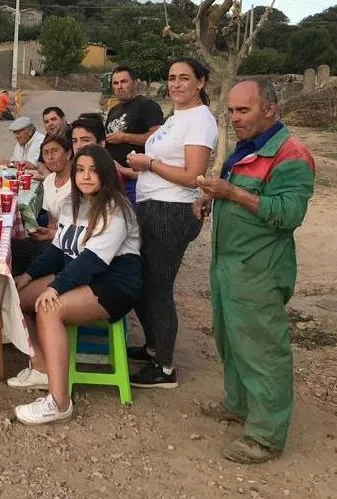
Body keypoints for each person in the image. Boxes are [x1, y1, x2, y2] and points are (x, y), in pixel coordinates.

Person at [193, 77, 315, 464]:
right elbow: (240, 197)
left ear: (270, 109)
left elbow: (288, 213)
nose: (234, 118)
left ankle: (265, 436)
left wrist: (231, 193)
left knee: (263, 350)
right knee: (231, 339)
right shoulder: (246, 148)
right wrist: (212, 199)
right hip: (229, 264)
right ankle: (239, 404)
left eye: (243, 110)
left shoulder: (291, 155)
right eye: (231, 110)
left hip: (259, 270)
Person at [12, 145, 142, 424]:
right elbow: (58, 249)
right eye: (80, 170)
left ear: (106, 174)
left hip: (112, 283)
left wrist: (55, 288)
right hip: (78, 275)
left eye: (93, 170)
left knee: (49, 309)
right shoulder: (73, 202)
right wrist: (29, 275)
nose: (85, 176)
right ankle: (42, 367)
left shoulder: (116, 208)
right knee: (16, 295)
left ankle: (59, 403)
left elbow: (92, 261)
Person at [125, 57, 218, 388]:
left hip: (171, 210)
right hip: (152, 205)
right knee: (142, 282)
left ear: (201, 82)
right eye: (171, 77)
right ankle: (153, 347)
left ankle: (164, 368)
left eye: (184, 78)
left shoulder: (201, 120)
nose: (176, 84)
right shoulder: (177, 117)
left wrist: (148, 163)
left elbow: (193, 176)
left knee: (158, 288)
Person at [9, 133, 73, 277]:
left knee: (25, 254)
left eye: (55, 151)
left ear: (68, 154)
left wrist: (51, 235)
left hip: (70, 244)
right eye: (45, 153)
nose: (50, 157)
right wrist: (45, 232)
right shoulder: (49, 180)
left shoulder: (78, 182)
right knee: (10, 246)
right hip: (54, 237)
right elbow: (51, 221)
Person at [105, 66, 165, 205]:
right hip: (113, 178)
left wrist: (125, 137)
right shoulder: (114, 110)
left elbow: (157, 138)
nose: (119, 86)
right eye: (115, 83)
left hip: (135, 180)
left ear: (135, 82)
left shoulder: (147, 106)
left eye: (124, 81)